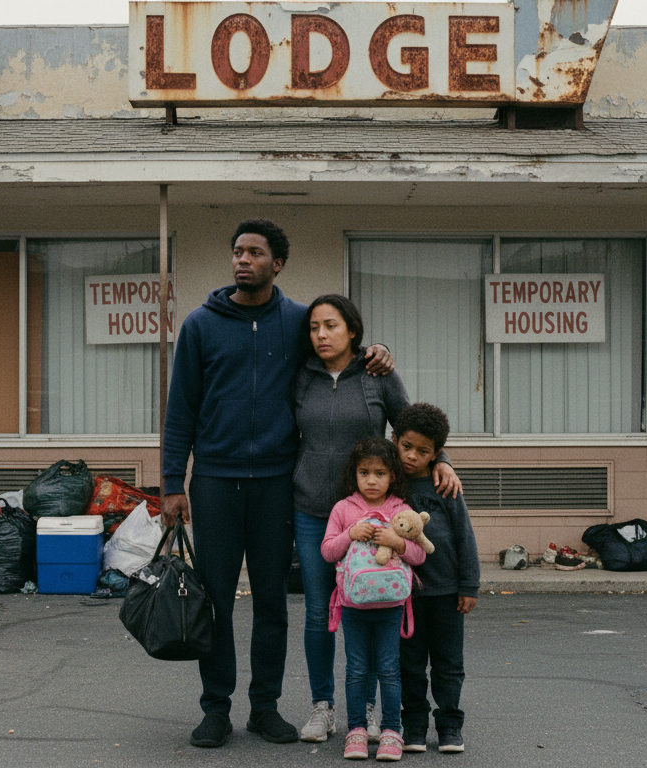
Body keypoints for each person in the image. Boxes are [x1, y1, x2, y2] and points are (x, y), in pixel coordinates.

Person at [160, 219, 394, 749]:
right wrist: (173, 484)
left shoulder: (296, 323)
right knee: (215, 598)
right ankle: (215, 708)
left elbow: (339, 350)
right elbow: (180, 412)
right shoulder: (200, 325)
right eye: (237, 252)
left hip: (274, 485)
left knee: (270, 599)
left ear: (277, 264)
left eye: (255, 253)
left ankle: (264, 706)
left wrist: (376, 351)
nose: (243, 260)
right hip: (215, 482)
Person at [292, 294, 461, 744]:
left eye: (331, 326)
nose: (321, 335)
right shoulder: (301, 374)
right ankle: (323, 706)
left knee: (368, 606)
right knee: (317, 611)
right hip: (314, 511)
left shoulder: (377, 373)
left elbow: (411, 425)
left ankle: (365, 708)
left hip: (372, 518)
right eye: (313, 328)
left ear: (352, 330)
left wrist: (441, 458)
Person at [320, 438, 426, 762]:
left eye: (380, 473)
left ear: (392, 475)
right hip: (353, 605)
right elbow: (327, 551)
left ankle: (392, 732)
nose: (371, 480)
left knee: (389, 669)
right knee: (356, 670)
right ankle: (357, 731)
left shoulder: (401, 509)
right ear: (354, 474)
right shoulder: (343, 508)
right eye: (364, 472)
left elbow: (419, 554)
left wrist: (396, 541)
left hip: (391, 607)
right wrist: (350, 533)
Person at [392, 403, 480, 754]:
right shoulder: (389, 484)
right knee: (409, 664)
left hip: (446, 592)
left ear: (436, 454)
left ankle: (449, 726)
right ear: (395, 441)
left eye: (423, 451)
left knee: (448, 664)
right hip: (402, 595)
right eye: (406, 447)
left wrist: (469, 585)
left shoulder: (445, 485)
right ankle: (413, 724)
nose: (412, 456)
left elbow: (464, 536)